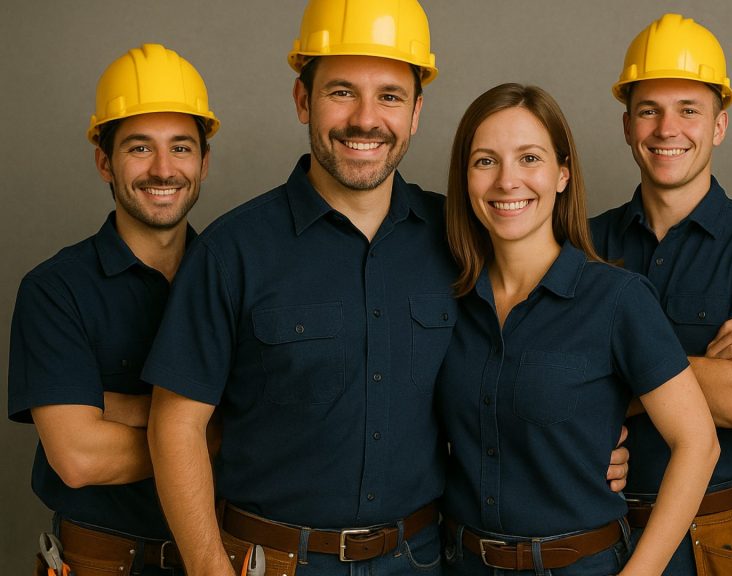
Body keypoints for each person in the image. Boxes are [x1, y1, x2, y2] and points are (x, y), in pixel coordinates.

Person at [142, 3, 627, 576]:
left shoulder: (462, 236)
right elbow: (175, 425)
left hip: (420, 559)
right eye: (341, 92)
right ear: (302, 100)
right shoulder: (232, 251)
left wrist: (596, 433)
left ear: (416, 112)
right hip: (274, 562)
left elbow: (557, 341)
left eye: (390, 96)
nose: (366, 119)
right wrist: (207, 567)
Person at [439, 82, 718, 576]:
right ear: (465, 178)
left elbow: (698, 443)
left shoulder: (616, 298)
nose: (507, 181)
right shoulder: (447, 300)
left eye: (529, 159)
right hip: (461, 562)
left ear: (562, 174)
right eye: (485, 161)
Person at [589, 14, 732, 574]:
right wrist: (703, 369)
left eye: (689, 110)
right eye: (649, 110)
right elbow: (543, 383)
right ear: (627, 126)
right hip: (592, 527)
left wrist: (615, 376)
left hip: (719, 538)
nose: (668, 129)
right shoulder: (582, 244)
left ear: (719, 126)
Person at [7, 43, 217, 576]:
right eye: (140, 148)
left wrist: (113, 407)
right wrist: (206, 431)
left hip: (220, 556)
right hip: (100, 563)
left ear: (204, 162)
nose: (163, 169)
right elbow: (79, 459)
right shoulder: (55, 290)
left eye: (181, 148)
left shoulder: (233, 276)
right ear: (105, 161)